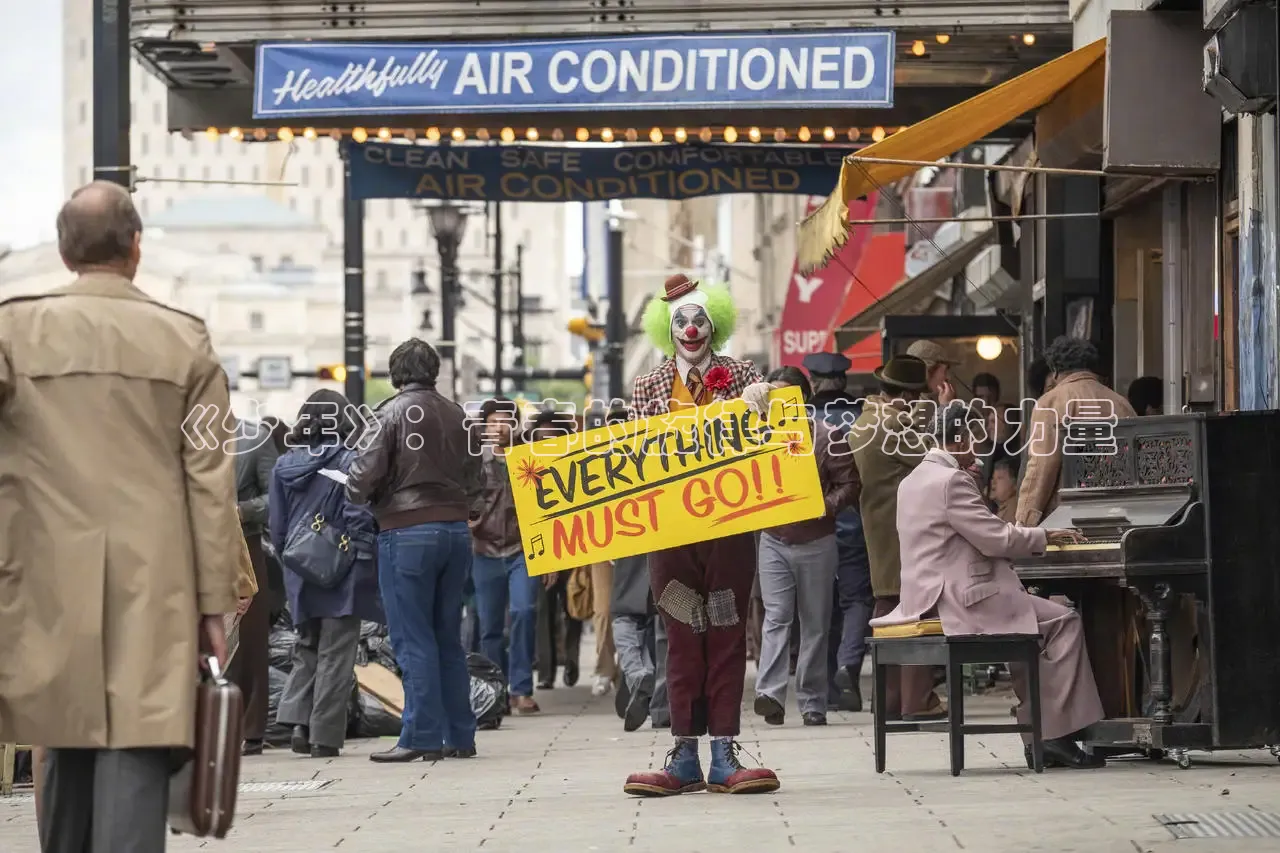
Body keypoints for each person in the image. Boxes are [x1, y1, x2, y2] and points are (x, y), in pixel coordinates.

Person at [0, 181, 240, 851]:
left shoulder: (12, 330)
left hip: (42, 575)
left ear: (64, 249)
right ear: (136, 248)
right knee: (137, 742)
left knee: (61, 740)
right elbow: (210, 482)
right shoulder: (186, 342)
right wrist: (214, 605)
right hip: (153, 582)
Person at [871, 413, 1106, 768]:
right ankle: (1053, 736)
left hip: (924, 598)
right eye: (973, 441)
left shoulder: (911, 480)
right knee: (1064, 621)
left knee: (1027, 620)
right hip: (960, 599)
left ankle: (1041, 732)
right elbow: (995, 538)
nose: (977, 450)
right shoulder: (952, 481)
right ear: (960, 440)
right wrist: (1045, 536)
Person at [622, 273, 779, 797]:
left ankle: (724, 751)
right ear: (669, 329)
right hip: (671, 532)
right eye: (681, 321)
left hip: (729, 528)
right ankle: (684, 752)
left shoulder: (741, 373)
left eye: (699, 319)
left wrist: (766, 399)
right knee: (682, 633)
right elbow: (635, 458)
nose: (691, 329)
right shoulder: (647, 384)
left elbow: (772, 433)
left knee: (729, 631)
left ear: (714, 323)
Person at [347, 338, 481, 762]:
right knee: (447, 636)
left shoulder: (389, 413)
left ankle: (420, 735)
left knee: (412, 637)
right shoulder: (458, 415)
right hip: (455, 531)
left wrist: (358, 492)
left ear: (395, 373)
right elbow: (477, 475)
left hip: (406, 532)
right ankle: (460, 733)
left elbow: (362, 477)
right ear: (434, 371)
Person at [269, 390, 381, 758]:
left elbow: (278, 526)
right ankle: (324, 736)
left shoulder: (284, 465)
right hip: (341, 570)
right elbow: (358, 516)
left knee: (307, 647)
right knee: (337, 652)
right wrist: (363, 558)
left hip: (300, 570)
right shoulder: (351, 461)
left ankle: (298, 723)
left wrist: (294, 565)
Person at [753, 367, 860, 727]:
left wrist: (824, 505)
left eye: (788, 395)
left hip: (817, 542)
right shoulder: (759, 437)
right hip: (773, 541)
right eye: (774, 396)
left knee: (815, 623)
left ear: (803, 398)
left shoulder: (827, 437)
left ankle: (813, 700)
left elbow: (850, 484)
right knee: (777, 617)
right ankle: (770, 694)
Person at [849, 355, 946, 722]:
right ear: (906, 395)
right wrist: (940, 413)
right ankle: (916, 700)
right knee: (916, 612)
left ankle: (889, 701)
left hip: (878, 526)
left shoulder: (865, 421)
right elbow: (933, 458)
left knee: (888, 614)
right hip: (904, 529)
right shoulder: (892, 424)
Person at [803, 351, 873, 713]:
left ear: (812, 382)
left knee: (821, 606)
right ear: (844, 382)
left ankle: (828, 683)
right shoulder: (862, 417)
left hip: (812, 528)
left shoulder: (803, 421)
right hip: (857, 523)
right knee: (857, 598)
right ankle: (849, 666)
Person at [1016, 337, 1137, 527]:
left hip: (1066, 518)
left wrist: (1025, 519)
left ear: (1054, 371)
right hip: (1118, 514)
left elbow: (1042, 464)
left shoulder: (1051, 402)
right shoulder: (1122, 403)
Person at [469, 397, 542, 715]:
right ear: (484, 428)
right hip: (483, 551)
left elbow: (546, 506)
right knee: (489, 626)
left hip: (522, 550)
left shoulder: (529, 459)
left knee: (525, 611)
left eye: (505, 421)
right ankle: (494, 690)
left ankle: (521, 688)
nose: (498, 427)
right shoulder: (473, 463)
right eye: (492, 421)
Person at [230, 416, 280, 756]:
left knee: (249, 640)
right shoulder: (175, 433)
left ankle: (250, 728)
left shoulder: (254, 438)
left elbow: (275, 497)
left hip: (243, 545)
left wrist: (240, 511)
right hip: (185, 545)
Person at [526, 409, 585, 689]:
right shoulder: (528, 470)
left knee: (574, 606)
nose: (546, 440)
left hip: (574, 548)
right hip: (543, 551)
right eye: (541, 436)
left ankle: (571, 659)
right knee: (544, 611)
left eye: (552, 435)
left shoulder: (575, 466)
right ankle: (546, 672)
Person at [988, 455, 1020, 524]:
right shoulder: (1003, 507)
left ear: (1015, 484)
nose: (993, 482)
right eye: (993, 478)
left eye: (999, 478)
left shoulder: (1013, 510)